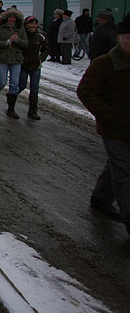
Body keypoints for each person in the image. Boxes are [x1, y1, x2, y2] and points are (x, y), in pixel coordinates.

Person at [76, 13, 130, 239]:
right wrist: (108, 114)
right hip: (115, 129)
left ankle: (101, 197)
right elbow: (85, 91)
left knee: (116, 167)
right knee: (126, 173)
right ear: (119, 38)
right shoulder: (105, 64)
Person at [0, 8, 28, 118]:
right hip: (2, 58)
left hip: (16, 58)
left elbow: (25, 44)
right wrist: (6, 42)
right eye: (10, 17)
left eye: (14, 18)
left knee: (14, 84)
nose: (12, 20)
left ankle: (11, 109)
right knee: (2, 82)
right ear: (6, 18)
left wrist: (17, 40)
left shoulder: (20, 29)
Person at [18, 16, 49, 120]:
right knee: (21, 85)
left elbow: (46, 49)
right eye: (31, 24)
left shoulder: (41, 36)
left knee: (34, 88)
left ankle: (32, 110)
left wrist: (41, 59)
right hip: (23, 64)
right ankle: (11, 102)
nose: (33, 26)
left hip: (36, 65)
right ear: (26, 25)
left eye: (35, 24)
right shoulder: (22, 34)